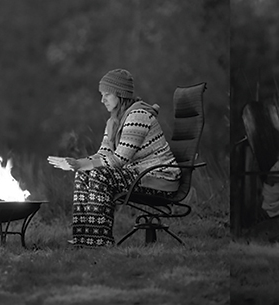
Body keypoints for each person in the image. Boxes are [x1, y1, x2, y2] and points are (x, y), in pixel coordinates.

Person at [48, 69, 180, 248]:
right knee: (83, 174)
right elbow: (103, 154)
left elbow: (118, 161)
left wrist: (83, 164)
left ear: (120, 95)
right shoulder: (113, 122)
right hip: (139, 176)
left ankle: (99, 241)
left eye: (107, 95)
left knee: (98, 175)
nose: (102, 100)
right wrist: (76, 164)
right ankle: (83, 240)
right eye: (102, 95)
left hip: (158, 178)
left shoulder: (138, 116)